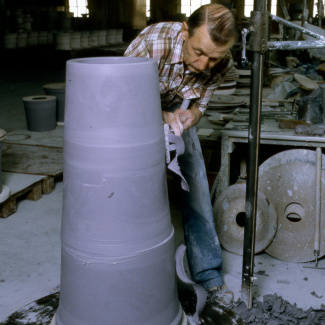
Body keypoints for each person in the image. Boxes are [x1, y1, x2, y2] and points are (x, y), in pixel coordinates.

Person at [124, 4, 238, 306]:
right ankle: (126, 272)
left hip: (176, 119)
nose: (203, 65)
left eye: (213, 58)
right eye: (198, 52)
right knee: (128, 196)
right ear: (184, 30)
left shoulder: (220, 62)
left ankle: (209, 276)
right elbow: (117, 96)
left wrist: (194, 116)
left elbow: (199, 105)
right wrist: (155, 114)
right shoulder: (154, 41)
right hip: (130, 118)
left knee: (197, 191)